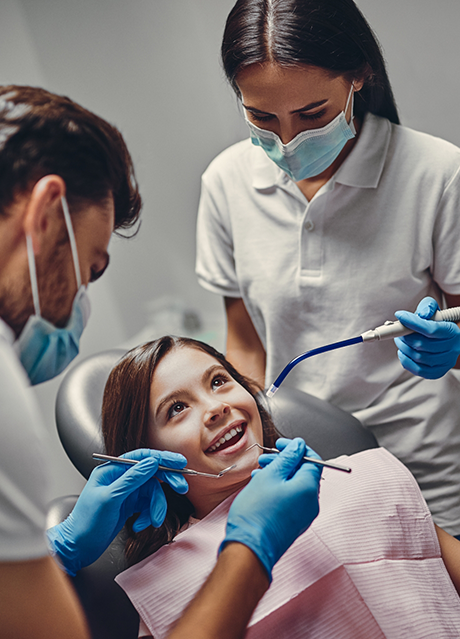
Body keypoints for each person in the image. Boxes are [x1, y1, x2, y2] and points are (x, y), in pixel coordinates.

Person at [0, 80, 320, 639]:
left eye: (220, 381)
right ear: (47, 213)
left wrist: (57, 554)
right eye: (89, 270)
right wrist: (250, 550)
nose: (77, 304)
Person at [195, 0, 460, 537]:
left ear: (360, 74)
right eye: (262, 117)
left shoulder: (437, 174)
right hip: (303, 469)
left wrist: (450, 348)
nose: (287, 141)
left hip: (421, 468)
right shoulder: (225, 182)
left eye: (312, 115)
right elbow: (245, 342)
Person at [101, 336, 460, 638]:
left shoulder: (367, 475)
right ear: (146, 457)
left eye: (218, 381)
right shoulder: (163, 583)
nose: (215, 407)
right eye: (177, 408)